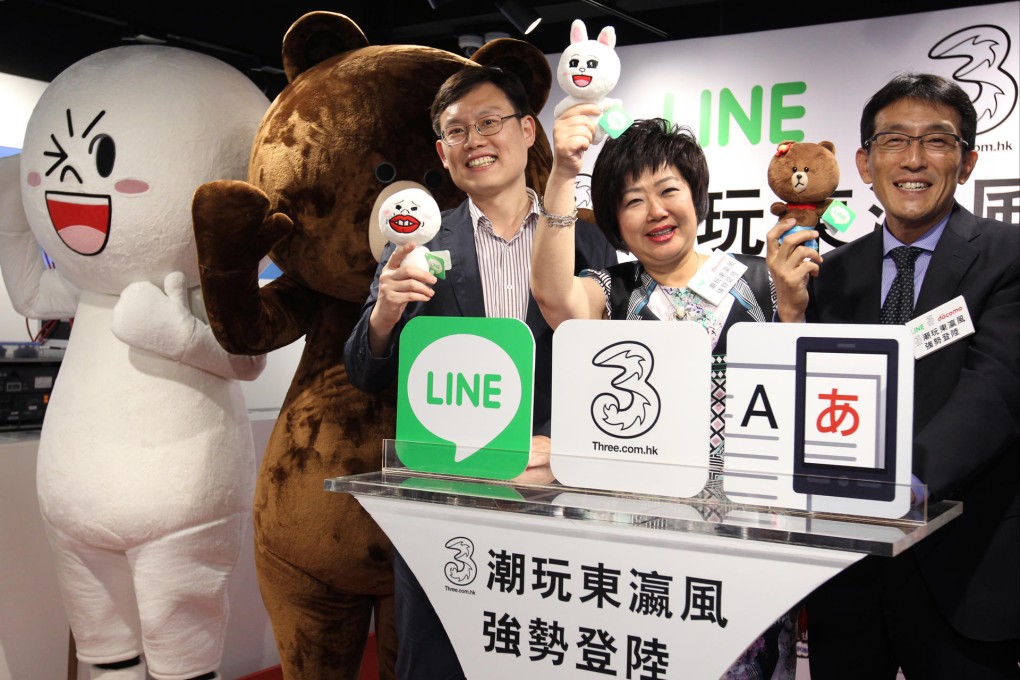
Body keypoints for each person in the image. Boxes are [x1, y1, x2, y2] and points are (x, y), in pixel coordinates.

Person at [344, 66, 617, 680]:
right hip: (444, 509)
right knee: (437, 663)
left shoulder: (589, 241)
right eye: (456, 132)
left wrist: (570, 448)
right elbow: (361, 371)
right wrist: (386, 313)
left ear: (526, 132)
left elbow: (605, 376)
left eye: (490, 122)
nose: (475, 141)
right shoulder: (414, 245)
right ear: (442, 154)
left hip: (553, 502)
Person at [767, 72, 1019, 678]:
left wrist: (897, 484)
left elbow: (997, 389)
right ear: (862, 161)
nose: (913, 159)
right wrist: (790, 313)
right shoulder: (831, 272)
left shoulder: (1008, 256)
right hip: (848, 576)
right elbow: (806, 402)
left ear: (967, 162)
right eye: (893, 141)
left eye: (936, 141)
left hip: (965, 571)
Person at [531, 109, 795, 678]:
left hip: (748, 537)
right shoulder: (612, 291)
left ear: (695, 197)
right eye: (631, 200)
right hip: (634, 542)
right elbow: (554, 297)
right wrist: (561, 173)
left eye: (667, 190)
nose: (654, 211)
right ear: (613, 223)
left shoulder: (763, 279)